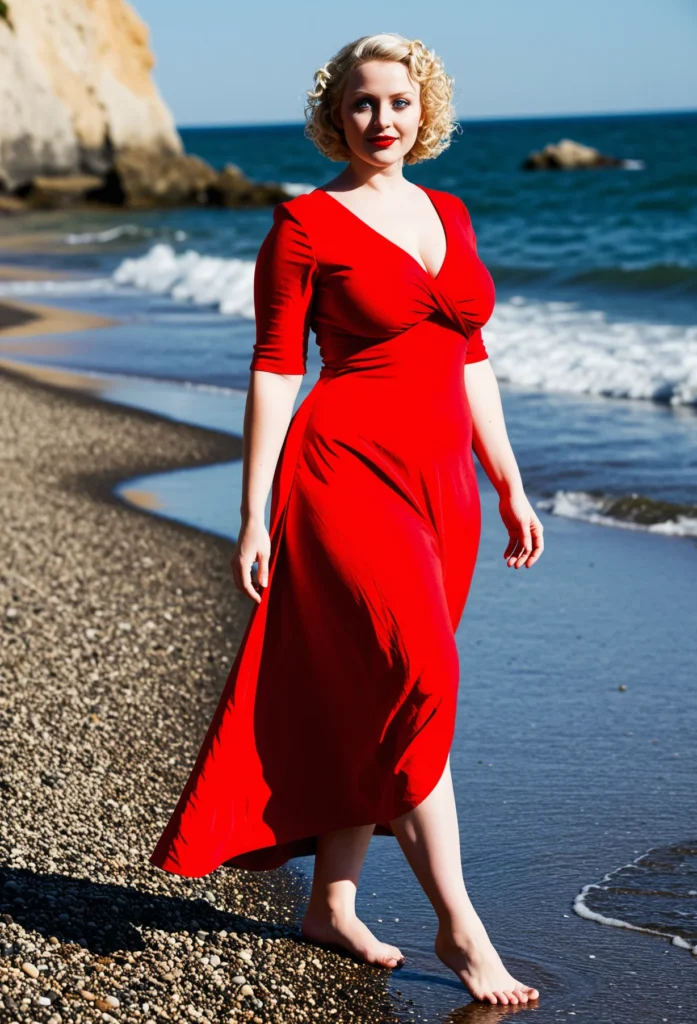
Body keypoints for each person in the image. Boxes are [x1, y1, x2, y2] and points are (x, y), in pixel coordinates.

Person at [150, 32, 543, 1007]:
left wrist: (508, 480)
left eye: (398, 101)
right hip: (342, 472)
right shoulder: (304, 225)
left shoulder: (448, 211)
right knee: (418, 678)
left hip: (443, 482)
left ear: (424, 109)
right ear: (335, 114)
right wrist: (252, 512)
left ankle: (331, 901)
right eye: (362, 102)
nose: (381, 119)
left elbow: (470, 355)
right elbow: (275, 367)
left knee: (381, 689)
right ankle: (460, 926)